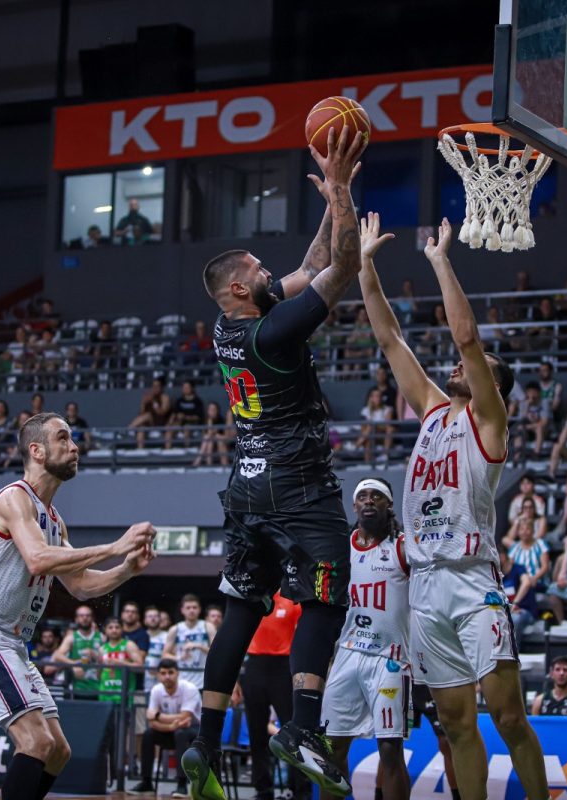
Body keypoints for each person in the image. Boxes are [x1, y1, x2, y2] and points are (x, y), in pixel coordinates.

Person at [180, 125, 365, 800]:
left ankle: (201, 739)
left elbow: (314, 259)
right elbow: (340, 268)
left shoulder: (237, 326)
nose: (268, 271)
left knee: (240, 607)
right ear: (236, 289)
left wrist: (327, 205)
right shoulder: (274, 328)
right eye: (257, 270)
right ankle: (304, 728)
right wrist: (344, 190)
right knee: (327, 593)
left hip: (245, 485)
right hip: (295, 482)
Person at [356, 213, 549, 800]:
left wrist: (440, 261)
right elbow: (389, 338)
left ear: (493, 385)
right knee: (458, 725)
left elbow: (467, 338)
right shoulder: (434, 410)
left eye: (475, 369)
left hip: (471, 581)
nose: (459, 363)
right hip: (426, 587)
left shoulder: (488, 422)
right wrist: (365, 265)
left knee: (508, 717)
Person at [0, 412, 156, 800]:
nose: (75, 447)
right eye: (64, 439)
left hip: (11, 642)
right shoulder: (13, 497)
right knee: (36, 743)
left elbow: (80, 586)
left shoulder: (54, 521)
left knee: (57, 752)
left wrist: (126, 568)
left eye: (73, 440)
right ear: (37, 451)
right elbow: (38, 559)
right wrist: (114, 546)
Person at [321, 478, 410, 800]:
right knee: (331, 749)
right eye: (363, 496)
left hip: (390, 658)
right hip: (346, 655)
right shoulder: (340, 547)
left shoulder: (403, 547)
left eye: (377, 496)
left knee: (389, 749)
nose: (369, 501)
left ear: (389, 505)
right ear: (355, 505)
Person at [241, 591, 307, 800]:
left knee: (291, 731)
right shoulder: (252, 597)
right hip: (254, 666)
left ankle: (298, 789)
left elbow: (305, 633)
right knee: (256, 732)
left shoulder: (291, 598)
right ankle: (263, 789)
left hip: (282, 667)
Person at [130, 660, 201, 796]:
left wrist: (157, 715)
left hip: (194, 733)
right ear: (158, 676)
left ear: (178, 673)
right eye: (163, 673)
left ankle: (182, 784)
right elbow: (152, 722)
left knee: (181, 733)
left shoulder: (189, 688)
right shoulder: (156, 690)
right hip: (171, 730)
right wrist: (169, 726)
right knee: (148, 734)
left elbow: (185, 717)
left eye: (170, 673)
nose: (167, 676)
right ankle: (146, 782)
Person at [161, 594, 214, 692]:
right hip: (182, 679)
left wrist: (198, 646)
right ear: (182, 610)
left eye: (194, 607)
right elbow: (164, 654)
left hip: (203, 678)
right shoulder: (175, 629)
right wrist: (179, 657)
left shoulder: (208, 626)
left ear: (199, 609)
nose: (191, 610)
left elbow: (216, 653)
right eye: (188, 608)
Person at [54, 605, 103, 697]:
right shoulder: (71, 637)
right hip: (79, 686)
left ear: (92, 618)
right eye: (81, 615)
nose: (85, 618)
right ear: (76, 619)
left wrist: (95, 655)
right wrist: (73, 664)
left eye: (88, 615)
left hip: (100, 686)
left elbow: (109, 657)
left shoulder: (101, 637)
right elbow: (57, 655)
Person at [96, 617, 144, 704]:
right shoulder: (102, 649)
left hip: (124, 693)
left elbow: (140, 667)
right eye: (110, 627)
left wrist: (120, 662)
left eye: (117, 627)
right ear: (105, 630)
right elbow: (99, 673)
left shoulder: (129, 645)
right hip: (105, 694)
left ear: (122, 629)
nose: (114, 630)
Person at [130, 377, 171, 450]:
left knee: (148, 415)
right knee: (141, 429)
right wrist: (143, 403)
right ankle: (140, 451)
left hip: (160, 423)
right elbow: (141, 413)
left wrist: (154, 402)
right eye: (153, 386)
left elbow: (162, 413)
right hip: (149, 423)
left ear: (161, 387)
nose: (155, 388)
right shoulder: (148, 396)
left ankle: (128, 430)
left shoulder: (165, 398)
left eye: (157, 386)